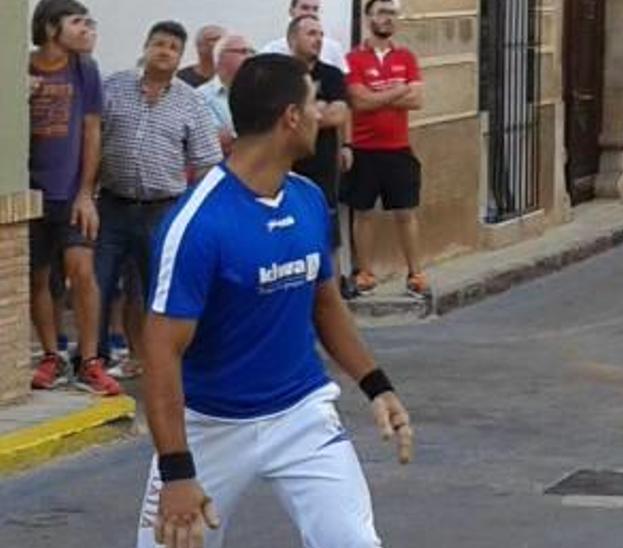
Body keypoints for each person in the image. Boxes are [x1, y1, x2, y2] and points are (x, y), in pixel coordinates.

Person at [135, 53, 414, 548]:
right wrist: (177, 473)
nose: (322, 113)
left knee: (353, 542)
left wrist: (377, 386)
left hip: (301, 413)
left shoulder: (307, 199)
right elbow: (160, 353)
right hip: (209, 427)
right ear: (290, 118)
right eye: (314, 103)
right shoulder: (197, 225)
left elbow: (325, 303)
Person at [96, 21, 224, 387]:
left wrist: (196, 213)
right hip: (112, 205)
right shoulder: (114, 87)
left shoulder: (191, 101)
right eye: (159, 44)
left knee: (156, 290)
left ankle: (158, 360)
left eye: (172, 47)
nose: (164, 51)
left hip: (162, 210)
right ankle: (95, 361)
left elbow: (206, 161)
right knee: (98, 283)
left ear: (180, 56)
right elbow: (92, 138)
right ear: (146, 47)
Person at [27, 0, 117, 395]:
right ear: (50, 28)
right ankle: (51, 355)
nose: (88, 29)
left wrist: (85, 192)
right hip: (30, 191)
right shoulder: (22, 67)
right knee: (38, 277)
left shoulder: (86, 70)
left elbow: (92, 131)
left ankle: (91, 360)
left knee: (82, 270)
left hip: (70, 192)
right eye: (78, 22)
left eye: (91, 22)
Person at [344, 0, 430, 297]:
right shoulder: (353, 59)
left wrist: (376, 94)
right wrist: (397, 90)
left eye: (391, 13)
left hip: (398, 148)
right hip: (363, 148)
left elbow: (417, 100)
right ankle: (365, 272)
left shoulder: (406, 57)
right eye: (381, 12)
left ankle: (415, 273)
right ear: (368, 17)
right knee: (363, 212)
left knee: (406, 212)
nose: (387, 18)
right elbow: (359, 102)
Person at [289, 14, 350, 251]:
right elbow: (275, 118)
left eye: (321, 34)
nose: (319, 39)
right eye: (311, 34)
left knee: (327, 238)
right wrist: (318, 108)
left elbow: (339, 115)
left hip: (322, 167)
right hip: (288, 167)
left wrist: (299, 114)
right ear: (293, 38)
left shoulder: (332, 75)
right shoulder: (283, 74)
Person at [197, 33, 255, 153]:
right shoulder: (200, 97)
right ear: (220, 57)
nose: (250, 57)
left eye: (252, 51)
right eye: (243, 52)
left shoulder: (263, 91)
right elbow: (213, 140)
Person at [261, 0, 349, 72]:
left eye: (315, 9)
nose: (310, 13)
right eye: (305, 8)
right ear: (291, 11)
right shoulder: (272, 49)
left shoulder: (334, 48)